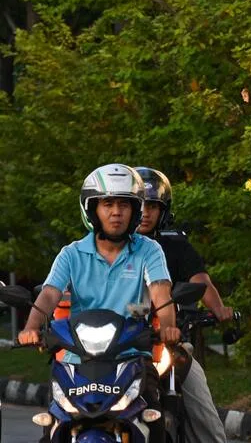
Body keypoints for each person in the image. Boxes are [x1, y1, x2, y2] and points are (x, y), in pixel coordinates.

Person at [17, 164, 180, 405]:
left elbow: (160, 292)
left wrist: (168, 327)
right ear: (92, 209)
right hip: (78, 359)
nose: (116, 212)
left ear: (135, 210)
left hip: (132, 357)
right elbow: (49, 294)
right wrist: (31, 327)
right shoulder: (71, 254)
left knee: (153, 409)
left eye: (124, 204)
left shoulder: (149, 250)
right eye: (108, 204)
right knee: (54, 420)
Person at [135, 167, 231, 443]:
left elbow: (201, 282)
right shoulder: (108, 247)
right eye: (139, 205)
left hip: (167, 344)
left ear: (163, 210)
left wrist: (219, 309)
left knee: (206, 422)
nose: (145, 212)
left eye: (152, 206)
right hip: (117, 346)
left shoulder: (175, 246)